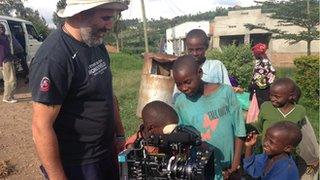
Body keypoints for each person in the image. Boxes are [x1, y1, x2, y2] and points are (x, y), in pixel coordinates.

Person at [29, 0, 128, 179]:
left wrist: (119, 135)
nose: (110, 25)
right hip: (78, 164)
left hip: (106, 152)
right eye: (105, 18)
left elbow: (107, 93)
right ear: (80, 14)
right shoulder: (54, 58)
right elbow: (41, 126)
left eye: (112, 18)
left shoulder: (95, 43)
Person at [172, 55, 246, 180]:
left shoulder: (226, 93)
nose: (183, 88)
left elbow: (240, 130)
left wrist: (235, 166)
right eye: (178, 84)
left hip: (227, 168)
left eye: (187, 82)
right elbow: (183, 138)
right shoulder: (180, 102)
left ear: (199, 73)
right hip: (200, 170)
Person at [254, 77, 319, 179]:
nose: (272, 98)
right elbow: (259, 126)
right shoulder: (266, 107)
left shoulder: (300, 111)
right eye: (271, 95)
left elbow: (302, 133)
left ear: (290, 96)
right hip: (268, 153)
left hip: (289, 156)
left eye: (277, 96)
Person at [144, 29, 231, 103]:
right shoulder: (181, 68)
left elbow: (228, 91)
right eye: (190, 50)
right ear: (186, 48)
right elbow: (176, 96)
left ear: (206, 47)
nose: (195, 53)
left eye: (199, 49)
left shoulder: (216, 66)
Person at [249, 43, 276, 108]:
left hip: (262, 91)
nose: (253, 54)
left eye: (254, 53)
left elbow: (260, 78)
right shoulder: (262, 61)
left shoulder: (264, 63)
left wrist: (252, 86)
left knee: (261, 108)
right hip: (262, 90)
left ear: (258, 53)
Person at [0, 23, 17, 103]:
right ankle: (7, 98)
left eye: (2, 27)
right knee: (10, 80)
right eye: (0, 28)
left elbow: (7, 50)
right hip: (5, 61)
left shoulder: (5, 37)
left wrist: (14, 57)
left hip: (8, 59)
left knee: (11, 80)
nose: (1, 29)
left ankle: (10, 96)